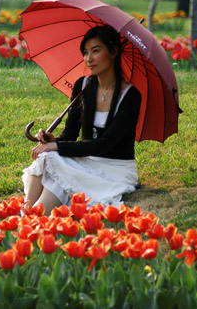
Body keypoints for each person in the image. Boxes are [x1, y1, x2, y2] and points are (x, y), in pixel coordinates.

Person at [22, 25, 142, 211]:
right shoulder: (82, 86)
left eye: (95, 51)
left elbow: (106, 143)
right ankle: (27, 212)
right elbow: (70, 133)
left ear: (114, 52)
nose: (89, 59)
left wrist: (57, 146)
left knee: (54, 166)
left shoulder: (131, 95)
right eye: (85, 52)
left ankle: (30, 218)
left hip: (115, 169)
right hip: (86, 161)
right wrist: (54, 140)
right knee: (46, 156)